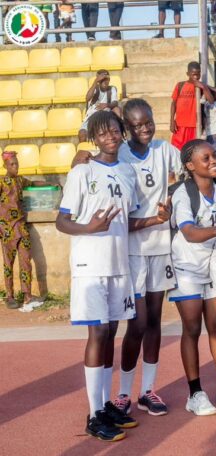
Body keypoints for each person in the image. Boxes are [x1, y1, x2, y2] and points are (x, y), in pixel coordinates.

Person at [56, 111, 139, 441]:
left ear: (122, 133)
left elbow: (127, 221)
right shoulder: (82, 171)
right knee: (99, 333)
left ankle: (104, 405)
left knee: (111, 334)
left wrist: (156, 220)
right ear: (93, 138)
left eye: (114, 131)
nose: (110, 137)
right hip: (90, 264)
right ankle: (93, 416)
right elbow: (62, 221)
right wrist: (89, 228)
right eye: (102, 133)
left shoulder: (127, 171)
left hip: (118, 264)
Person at [113, 99, 182, 418]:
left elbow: (191, 161)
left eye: (148, 122)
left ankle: (147, 391)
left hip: (160, 247)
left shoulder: (163, 149)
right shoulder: (119, 155)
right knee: (137, 323)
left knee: (154, 321)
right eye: (137, 125)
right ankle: (123, 393)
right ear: (127, 128)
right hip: (133, 251)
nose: (144, 129)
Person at [168, 139, 216, 416]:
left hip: (215, 267)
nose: (213, 160)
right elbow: (189, 233)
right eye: (205, 158)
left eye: (215, 155)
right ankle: (195, 393)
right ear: (190, 165)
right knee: (192, 328)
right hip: (187, 267)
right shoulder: (183, 193)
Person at [0, 153, 49, 311]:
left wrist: (50, 183)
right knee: (8, 264)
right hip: (7, 229)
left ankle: (27, 294)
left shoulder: (21, 180)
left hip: (21, 227)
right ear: (5, 166)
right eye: (12, 164)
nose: (16, 167)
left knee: (26, 262)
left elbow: (33, 183)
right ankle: (10, 297)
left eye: (17, 164)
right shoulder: (1, 182)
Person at [170, 62, 215, 152]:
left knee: (191, 152)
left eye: (198, 74)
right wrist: (172, 121)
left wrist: (204, 87)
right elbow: (173, 103)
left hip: (195, 126)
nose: (196, 77)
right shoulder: (180, 85)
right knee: (175, 151)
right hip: (180, 126)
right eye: (194, 74)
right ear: (188, 74)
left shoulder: (201, 87)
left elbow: (211, 101)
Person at [79, 70, 120, 143]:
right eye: (102, 79)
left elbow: (115, 102)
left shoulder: (112, 89)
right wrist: (95, 82)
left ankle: (120, 133)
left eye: (106, 79)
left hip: (105, 116)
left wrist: (106, 105)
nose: (105, 81)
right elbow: (87, 98)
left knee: (117, 109)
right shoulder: (95, 88)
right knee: (82, 134)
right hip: (92, 116)